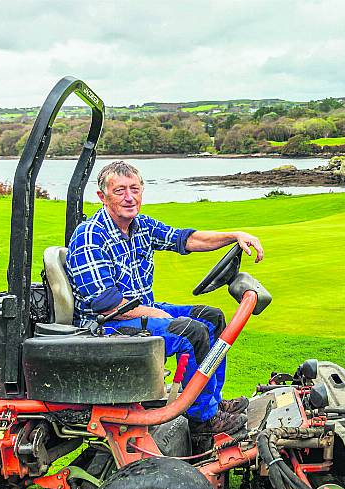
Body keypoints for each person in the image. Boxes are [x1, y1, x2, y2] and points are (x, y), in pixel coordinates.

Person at [66, 160, 264, 435]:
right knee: (190, 333)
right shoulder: (90, 236)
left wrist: (235, 235)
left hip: (138, 310)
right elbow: (107, 305)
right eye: (120, 190)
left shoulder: (141, 225)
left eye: (134, 189)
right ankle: (203, 422)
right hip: (106, 326)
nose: (129, 197)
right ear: (103, 196)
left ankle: (212, 402)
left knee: (212, 317)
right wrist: (156, 314)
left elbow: (187, 240)